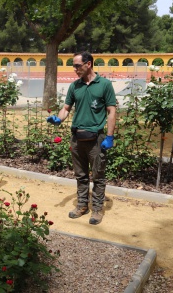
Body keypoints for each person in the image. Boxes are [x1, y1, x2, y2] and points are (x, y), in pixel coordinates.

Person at [47, 51, 116, 225]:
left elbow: (111, 111)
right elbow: (66, 108)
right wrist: (58, 118)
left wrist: (109, 136)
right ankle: (82, 205)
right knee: (81, 175)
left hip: (96, 139)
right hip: (77, 138)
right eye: (74, 66)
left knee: (98, 175)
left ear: (88, 64)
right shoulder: (74, 86)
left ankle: (98, 209)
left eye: (77, 65)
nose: (75, 69)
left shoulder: (104, 85)